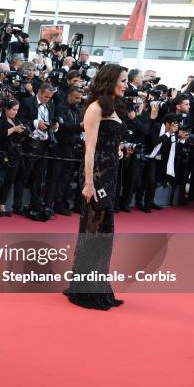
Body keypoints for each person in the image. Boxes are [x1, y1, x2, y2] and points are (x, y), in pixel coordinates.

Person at [63, 63, 128, 310]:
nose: (125, 85)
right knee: (95, 229)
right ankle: (86, 290)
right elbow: (89, 150)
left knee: (105, 231)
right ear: (109, 81)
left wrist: (117, 151)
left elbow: (107, 143)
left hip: (111, 174)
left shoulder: (115, 108)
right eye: (121, 80)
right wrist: (89, 183)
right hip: (97, 178)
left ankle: (94, 284)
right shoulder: (95, 107)